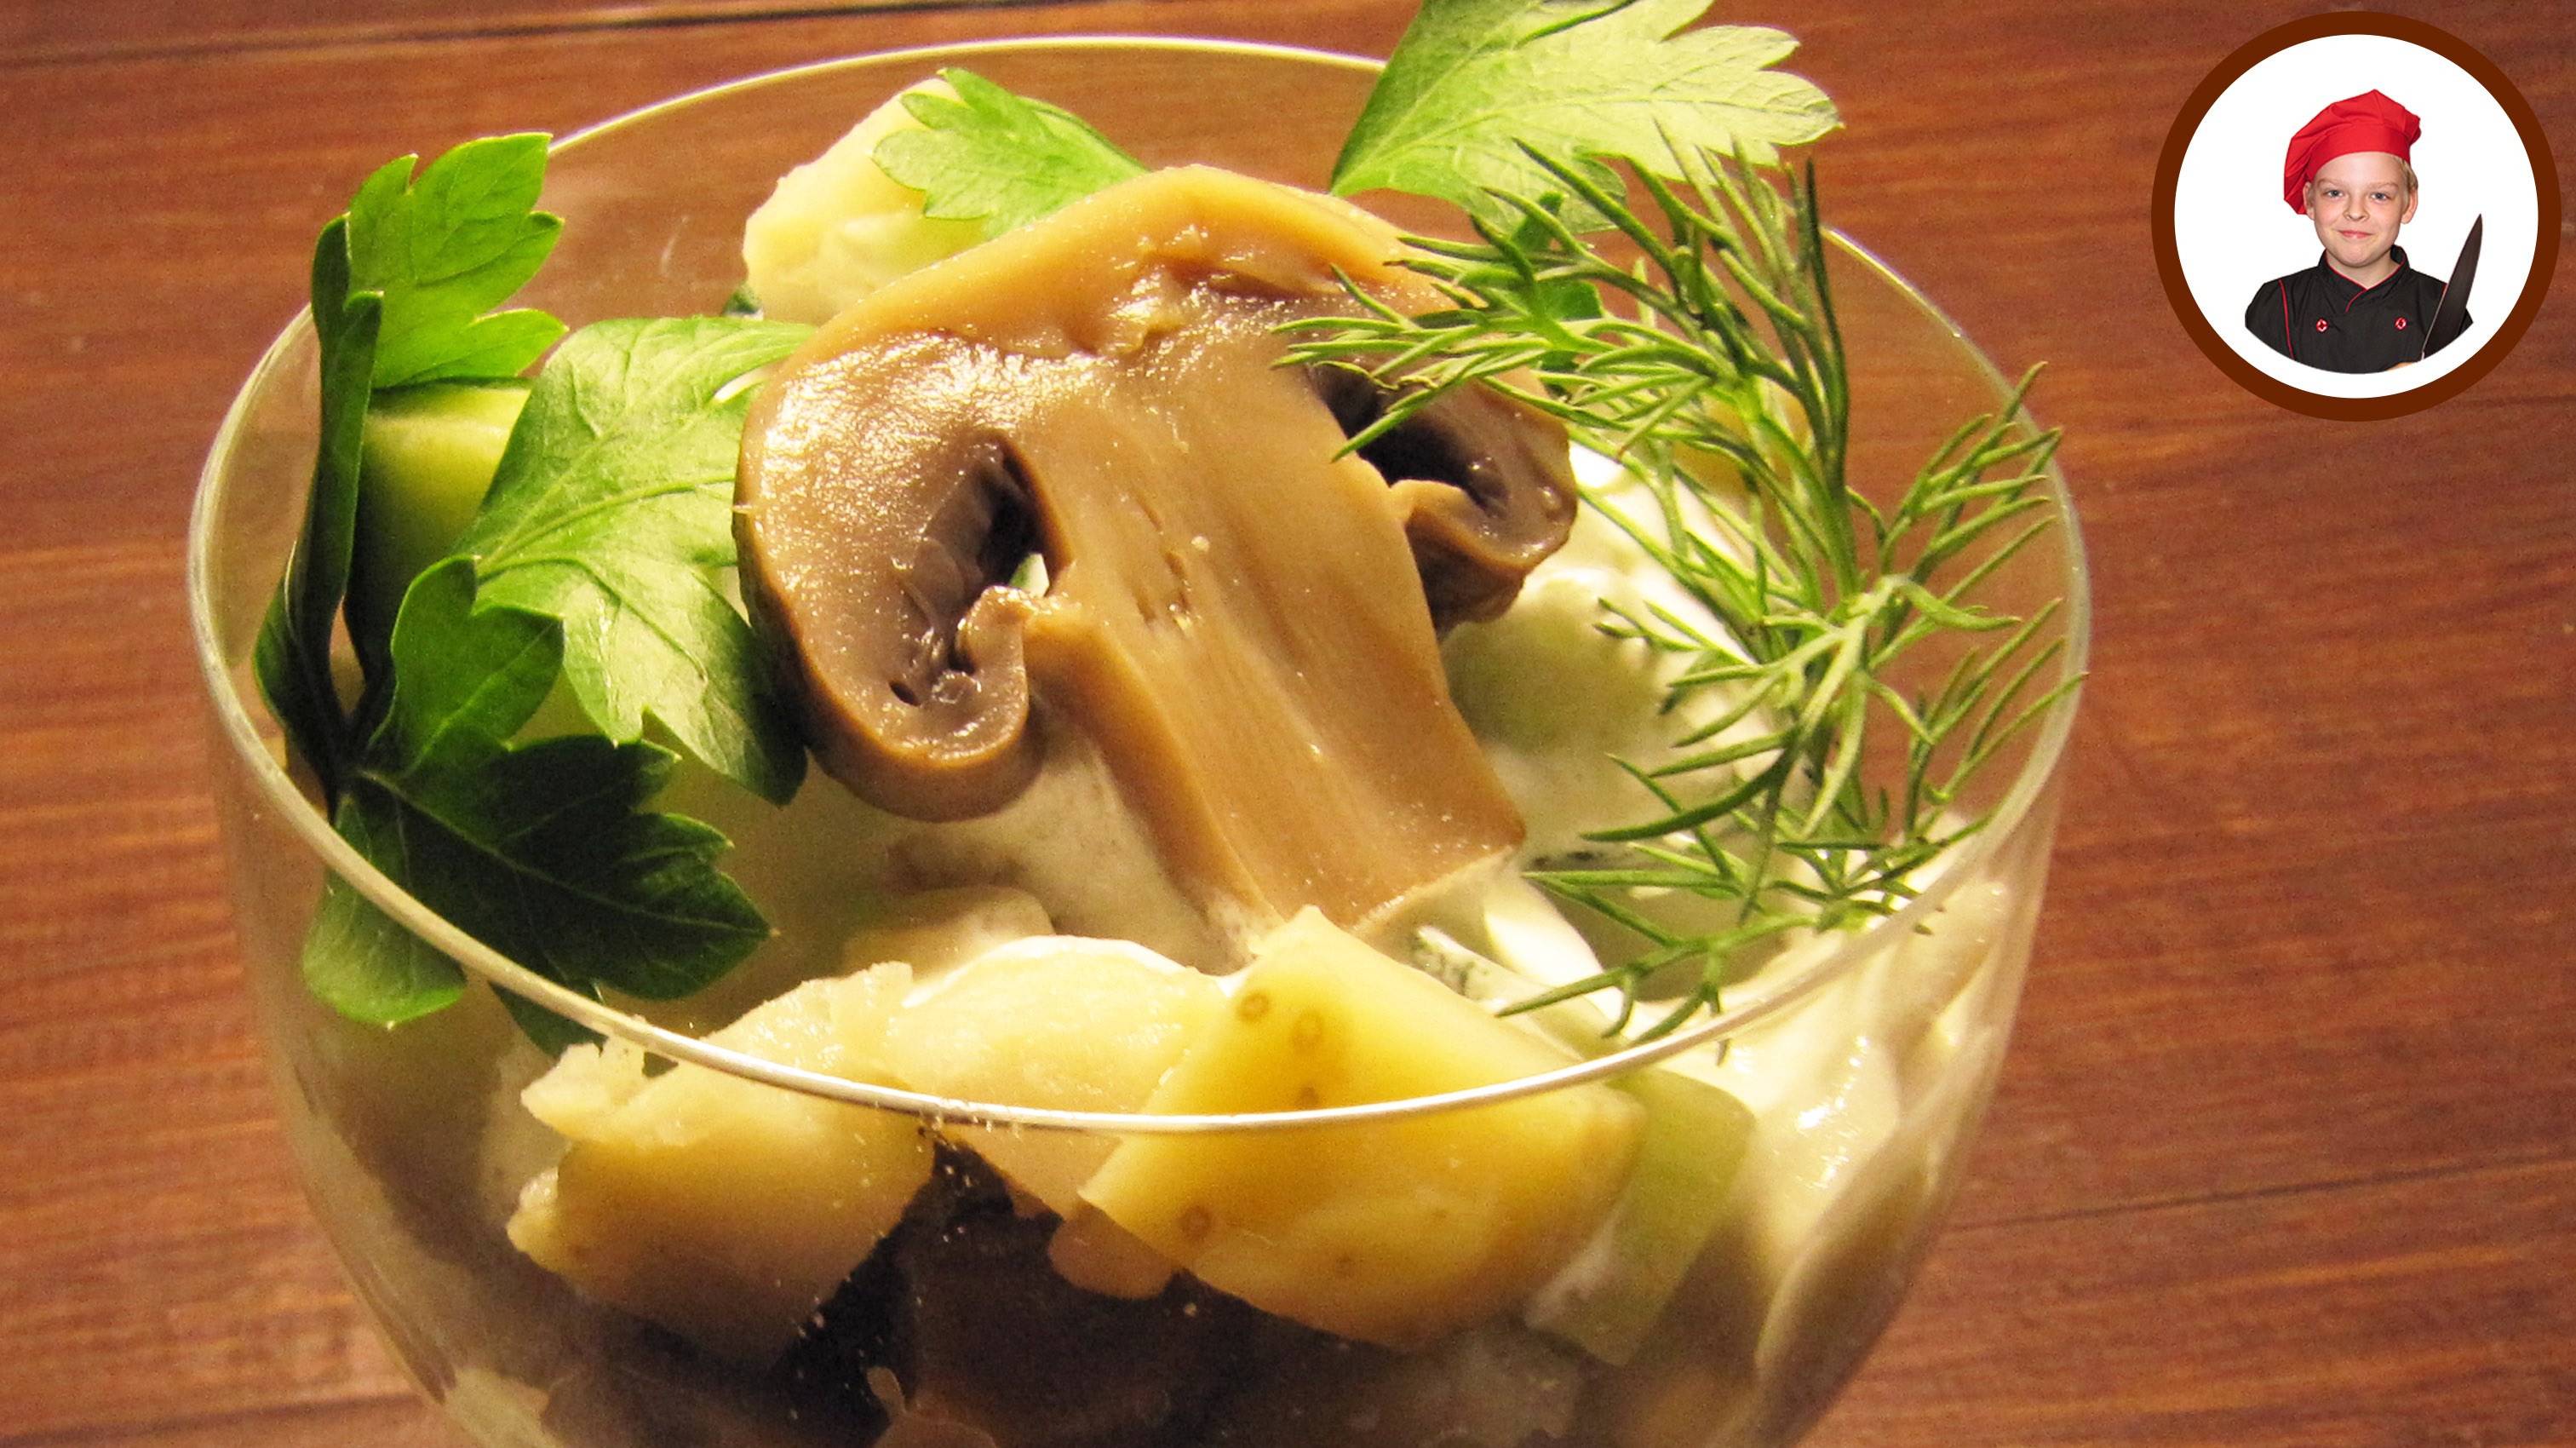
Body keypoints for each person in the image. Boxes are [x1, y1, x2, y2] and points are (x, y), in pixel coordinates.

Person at [2244, 89, 2467, 371]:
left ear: (2409, 205)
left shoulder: (2446, 310)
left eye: (2379, 195)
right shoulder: (2277, 306)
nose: (2356, 211)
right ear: (2310, 201)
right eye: (2335, 193)